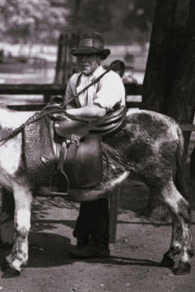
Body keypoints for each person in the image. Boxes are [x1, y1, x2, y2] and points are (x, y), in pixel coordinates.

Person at [64, 32, 125, 258]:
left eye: (90, 56)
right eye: (80, 56)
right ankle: (84, 235)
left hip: (111, 136)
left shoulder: (110, 79)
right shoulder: (75, 80)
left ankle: (98, 242)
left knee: (94, 179)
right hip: (86, 134)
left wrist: (67, 114)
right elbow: (67, 106)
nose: (84, 60)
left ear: (100, 58)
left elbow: (98, 111)